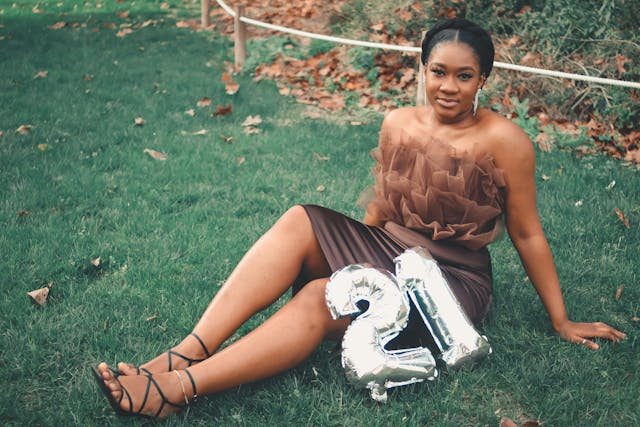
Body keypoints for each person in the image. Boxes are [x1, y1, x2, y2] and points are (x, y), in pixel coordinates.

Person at [93, 18, 626, 418]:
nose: (448, 87)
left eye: (465, 76)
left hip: (448, 282)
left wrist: (560, 319)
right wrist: (341, 243)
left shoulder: (506, 141)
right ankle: (183, 354)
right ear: (422, 69)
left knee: (319, 295)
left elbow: (527, 233)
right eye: (438, 72)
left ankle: (176, 391)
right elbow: (384, 206)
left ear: (484, 77)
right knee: (302, 219)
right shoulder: (398, 123)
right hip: (387, 245)